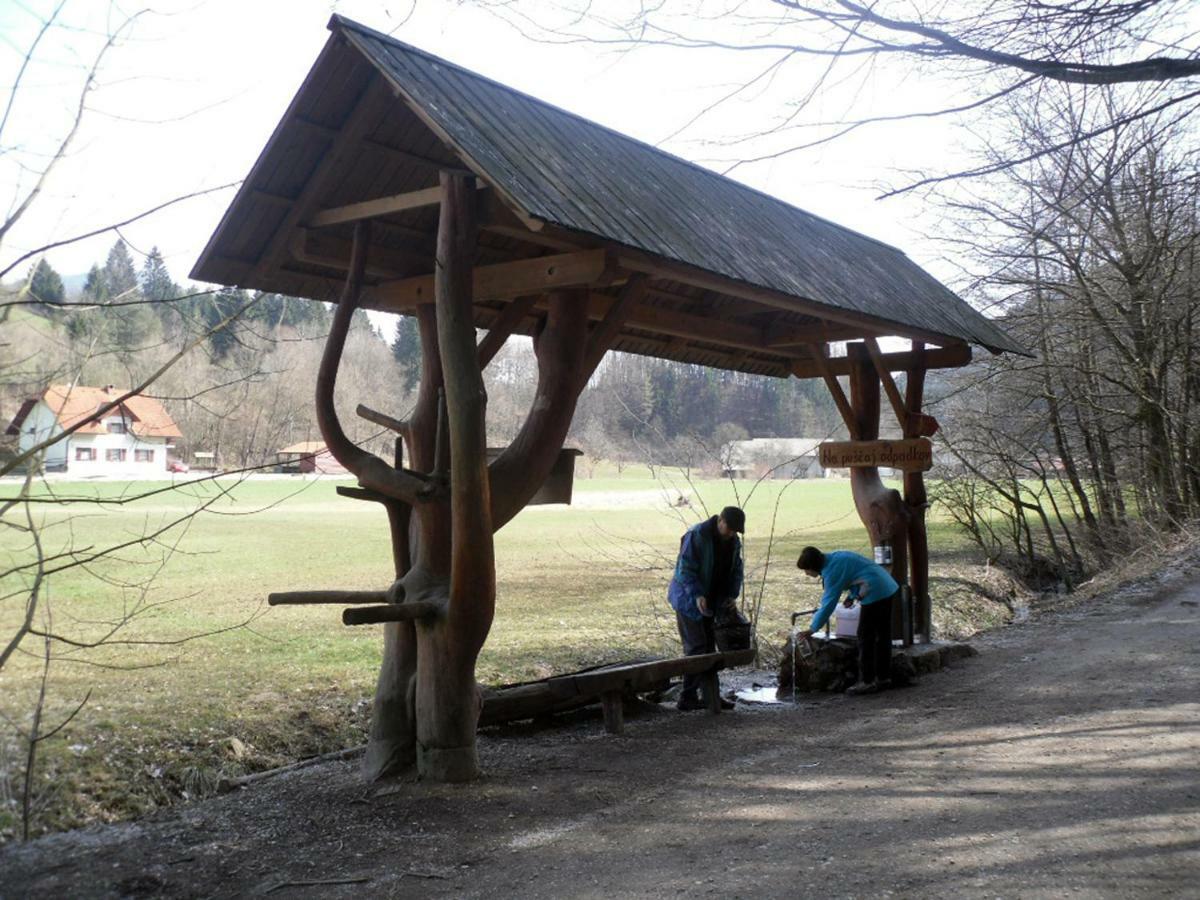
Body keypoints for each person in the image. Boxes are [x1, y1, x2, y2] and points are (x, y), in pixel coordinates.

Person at [667, 506, 746, 711]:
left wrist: (731, 594)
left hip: (713, 601)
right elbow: (684, 569)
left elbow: (736, 569)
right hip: (688, 600)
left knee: (710, 649)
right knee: (696, 648)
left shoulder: (733, 542)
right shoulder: (697, 535)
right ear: (720, 521)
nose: (731, 534)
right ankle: (688, 697)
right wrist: (697, 595)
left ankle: (711, 697)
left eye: (735, 531)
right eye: (729, 529)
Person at [796, 545, 899, 695]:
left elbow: (828, 604)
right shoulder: (836, 557)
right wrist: (852, 597)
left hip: (875, 591)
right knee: (882, 635)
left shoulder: (832, 572)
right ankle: (884, 677)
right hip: (886, 585)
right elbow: (857, 574)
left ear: (813, 567)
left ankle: (867, 681)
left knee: (865, 636)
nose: (806, 573)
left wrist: (813, 628)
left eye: (806, 570)